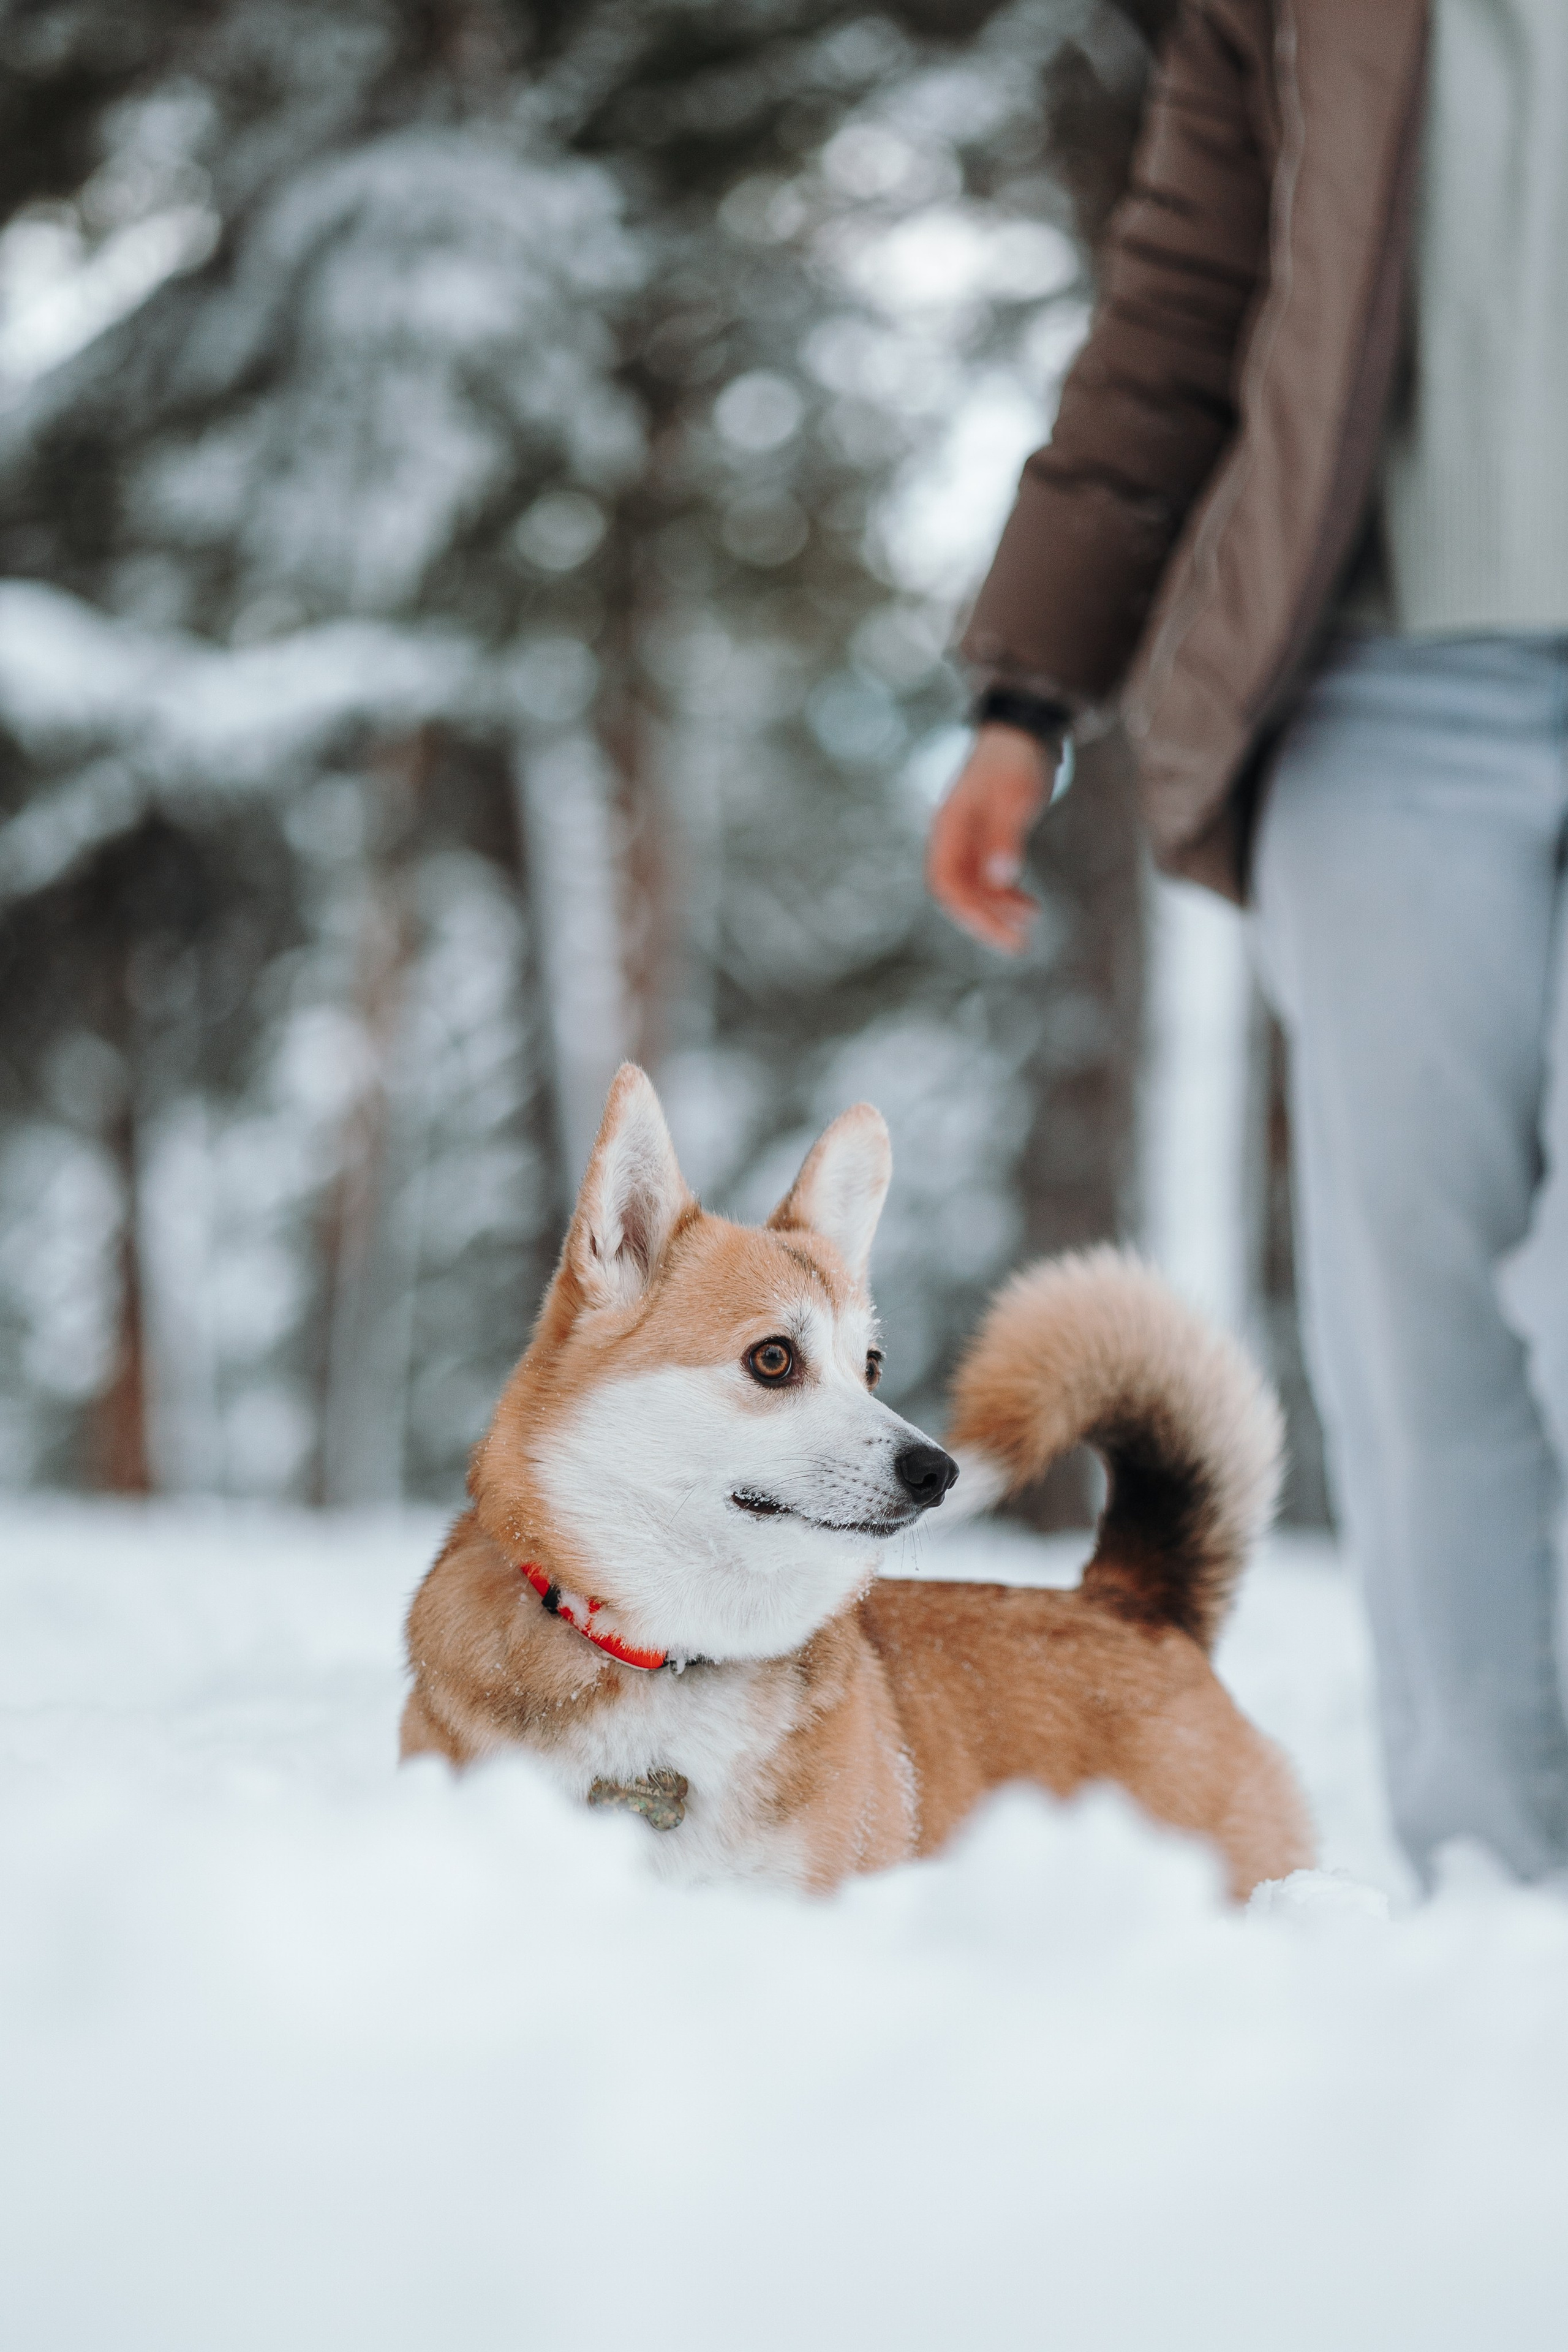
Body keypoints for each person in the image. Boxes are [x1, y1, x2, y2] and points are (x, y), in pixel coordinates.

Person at [928, 0, 1568, 1885]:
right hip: (1378, 701)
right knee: (1414, 1315)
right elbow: (1184, 308)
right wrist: (1025, 696)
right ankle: (1501, 1883)